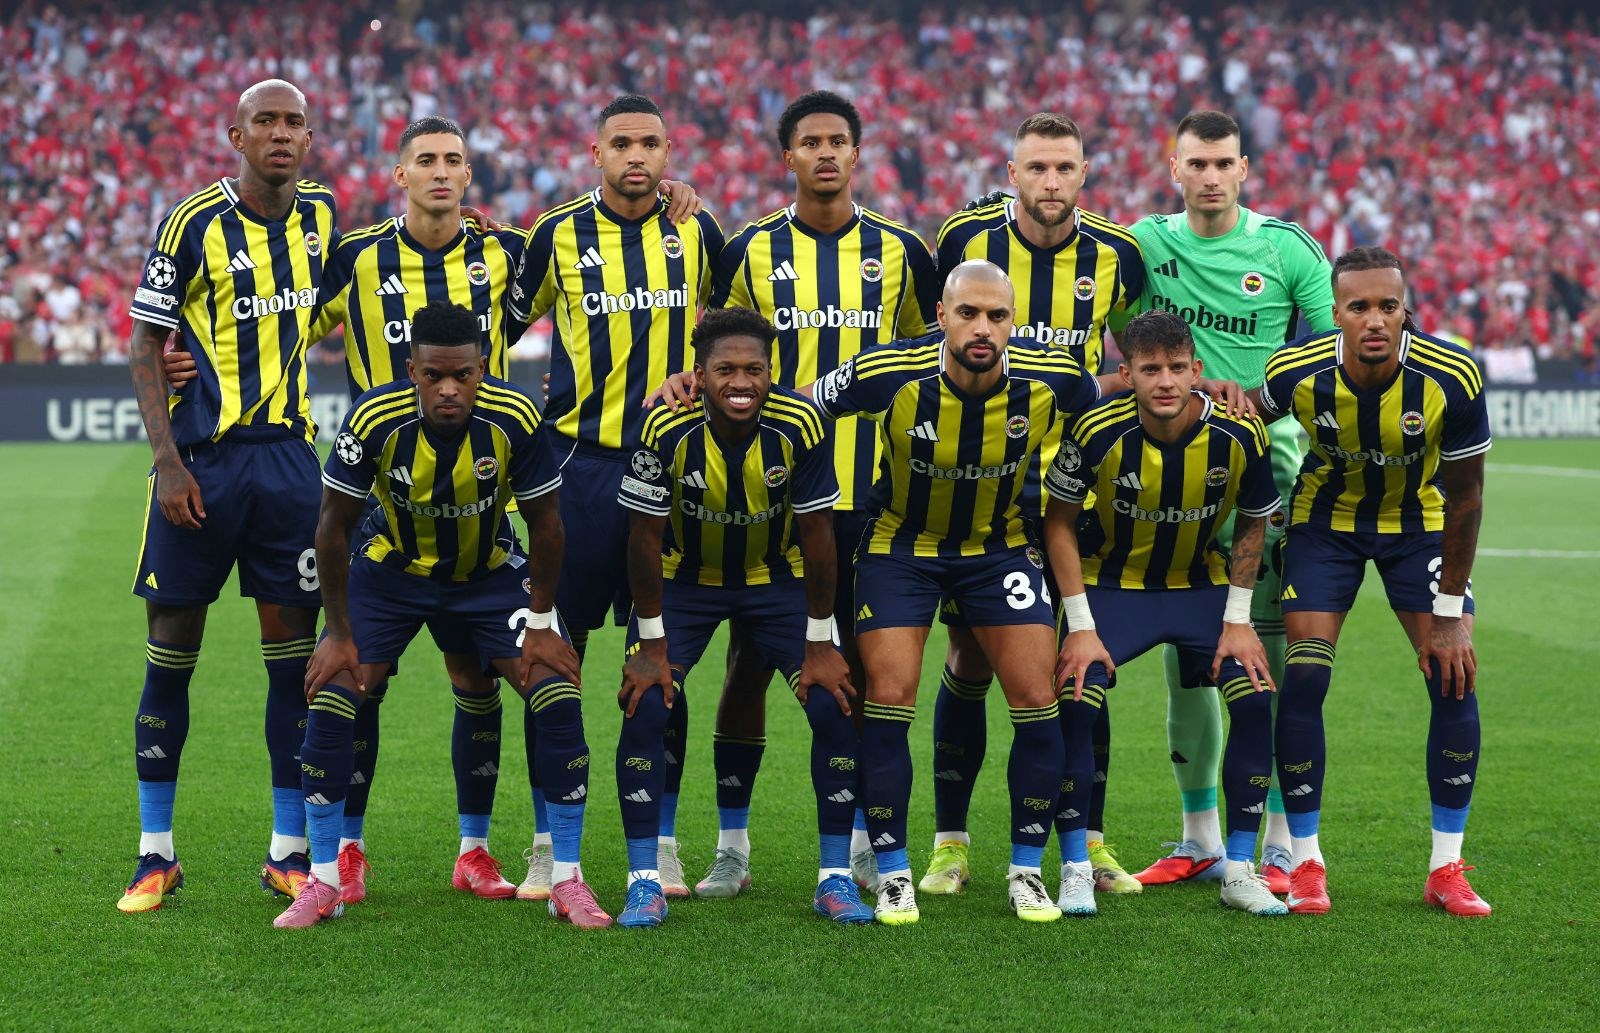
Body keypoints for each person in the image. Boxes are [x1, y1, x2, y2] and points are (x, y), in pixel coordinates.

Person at [273, 301, 598, 928]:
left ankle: (566, 878)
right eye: (433, 376)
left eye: (462, 375)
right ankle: (323, 878)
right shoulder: (374, 419)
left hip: (487, 575)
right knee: (336, 693)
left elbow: (548, 526)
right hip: (390, 575)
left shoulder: (515, 417)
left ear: (482, 368)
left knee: (556, 691)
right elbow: (332, 527)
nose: (448, 389)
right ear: (411, 371)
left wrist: (541, 622)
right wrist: (337, 632)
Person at [807, 260, 1101, 925]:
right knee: (889, 695)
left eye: (997, 315)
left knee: (1037, 699)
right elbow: (801, 404)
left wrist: (1205, 390)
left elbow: (1111, 397)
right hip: (899, 549)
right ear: (941, 315)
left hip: (999, 550)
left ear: (1014, 321)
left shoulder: (1052, 376)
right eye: (968, 313)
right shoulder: (889, 372)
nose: (982, 328)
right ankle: (892, 873)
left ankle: (1026, 872)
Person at [699, 89, 936, 897]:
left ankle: (864, 840)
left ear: (857, 153)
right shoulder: (749, 250)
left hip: (872, 492)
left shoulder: (903, 250)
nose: (826, 152)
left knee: (859, 671)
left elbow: (925, 351)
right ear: (788, 156)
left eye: (839, 140)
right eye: (811, 141)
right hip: (770, 496)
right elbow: (720, 354)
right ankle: (732, 846)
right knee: (747, 665)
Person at [119, 79, 336, 913]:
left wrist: (476, 227)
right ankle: (155, 851)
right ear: (236, 137)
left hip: (288, 466)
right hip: (202, 466)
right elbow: (146, 340)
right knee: (171, 651)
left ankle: (288, 850)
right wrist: (168, 461)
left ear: (308, 139)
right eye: (264, 122)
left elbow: (367, 283)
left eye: (293, 123)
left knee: (293, 664)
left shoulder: (323, 218)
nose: (280, 134)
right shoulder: (192, 222)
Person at [506, 93, 724, 901]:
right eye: (622, 143)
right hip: (579, 472)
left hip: (672, 470)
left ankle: (660, 842)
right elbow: (497, 326)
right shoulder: (556, 233)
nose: (637, 156)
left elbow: (734, 328)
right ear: (595, 153)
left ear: (669, 153)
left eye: (651, 144)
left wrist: (701, 373)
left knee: (663, 660)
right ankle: (545, 842)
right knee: (552, 655)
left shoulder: (698, 231)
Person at [922, 112, 1146, 897]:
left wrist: (1096, 387)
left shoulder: (1118, 254)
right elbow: (933, 343)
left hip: (1079, 490)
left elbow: (1133, 356)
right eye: (1037, 167)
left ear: (1085, 172)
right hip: (984, 486)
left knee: (1084, 660)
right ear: (1011, 172)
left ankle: (1090, 842)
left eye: (1065, 167)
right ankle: (951, 844)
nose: (1051, 181)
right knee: (971, 658)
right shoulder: (964, 238)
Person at [1119, 110, 1336, 890]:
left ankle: (1278, 840)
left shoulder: (1285, 248)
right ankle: (1200, 835)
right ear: (1173, 168)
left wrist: (1267, 394)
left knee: (1264, 661)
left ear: (1244, 168)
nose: (1210, 176)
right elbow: (1120, 339)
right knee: (1186, 663)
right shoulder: (1143, 244)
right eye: (1197, 163)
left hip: (1269, 480)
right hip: (1175, 484)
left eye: (1223, 163)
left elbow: (1334, 346)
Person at [1251, 247, 1491, 917]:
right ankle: (1305, 862)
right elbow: (1241, 426)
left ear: (1405, 309)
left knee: (1454, 675)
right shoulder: (1295, 370)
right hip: (1325, 525)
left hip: (1421, 525)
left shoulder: (1451, 375)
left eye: (1388, 305)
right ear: (1336, 314)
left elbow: (1467, 498)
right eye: (1359, 307)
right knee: (1304, 676)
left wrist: (1450, 612)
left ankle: (1446, 867)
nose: (1375, 319)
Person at [613, 307, 869, 927]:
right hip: (684, 580)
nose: (741, 382)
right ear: (699, 374)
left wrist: (820, 640)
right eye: (725, 369)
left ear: (771, 371)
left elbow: (819, 537)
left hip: (777, 580)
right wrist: (651, 644)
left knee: (833, 703)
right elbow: (643, 540)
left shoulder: (800, 422)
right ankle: (644, 880)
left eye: (754, 369)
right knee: (646, 704)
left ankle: (834, 877)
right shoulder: (664, 425)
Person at [1042, 310, 1284, 917]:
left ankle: (1239, 868)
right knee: (1075, 699)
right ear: (1127, 374)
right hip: (1111, 586)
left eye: (1177, 367)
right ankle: (1075, 867)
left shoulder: (1240, 433)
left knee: (1255, 697)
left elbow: (1254, 521)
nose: (1166, 381)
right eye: (1151, 369)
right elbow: (1058, 523)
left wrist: (1238, 620)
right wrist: (1080, 627)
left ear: (1197, 369)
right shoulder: (1097, 428)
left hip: (1200, 585)